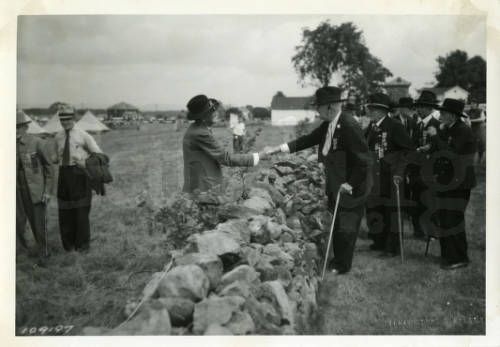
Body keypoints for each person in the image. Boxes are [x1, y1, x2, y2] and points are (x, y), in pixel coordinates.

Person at [266, 86, 373, 275]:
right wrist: (277, 149)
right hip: (337, 182)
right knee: (339, 223)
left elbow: (364, 161)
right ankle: (337, 260)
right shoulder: (329, 124)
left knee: (347, 227)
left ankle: (342, 265)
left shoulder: (349, 125)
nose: (317, 110)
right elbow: (306, 140)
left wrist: (351, 183)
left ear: (330, 107)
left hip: (352, 185)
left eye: (319, 107)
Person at [182, 94, 268, 194]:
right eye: (212, 112)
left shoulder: (198, 129)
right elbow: (226, 158)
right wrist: (258, 156)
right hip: (203, 191)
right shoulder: (200, 133)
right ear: (204, 116)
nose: (216, 114)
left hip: (202, 189)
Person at [427, 98, 476, 269]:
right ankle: (448, 255)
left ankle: (459, 258)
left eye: (443, 113)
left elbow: (451, 154)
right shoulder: (450, 129)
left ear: (453, 116)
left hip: (459, 183)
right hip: (447, 182)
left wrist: (435, 137)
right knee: (445, 218)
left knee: (453, 219)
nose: (440, 116)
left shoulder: (463, 130)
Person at [364, 92, 414, 257]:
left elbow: (408, 150)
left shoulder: (395, 126)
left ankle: (392, 248)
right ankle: (379, 241)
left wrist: (400, 171)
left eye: (371, 108)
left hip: (392, 175)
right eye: (368, 108)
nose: (368, 111)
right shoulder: (371, 127)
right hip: (376, 176)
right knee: (376, 208)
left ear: (381, 110)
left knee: (392, 211)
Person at [53, 106, 103, 252]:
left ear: (73, 119)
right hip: (64, 176)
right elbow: (57, 156)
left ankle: (82, 246)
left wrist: (85, 162)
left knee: (81, 212)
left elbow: (99, 155)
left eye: (68, 119)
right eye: (62, 120)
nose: (65, 122)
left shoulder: (84, 135)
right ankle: (68, 246)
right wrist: (54, 158)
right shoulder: (58, 136)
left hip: (80, 175)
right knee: (65, 212)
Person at [16, 111, 54, 257]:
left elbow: (49, 168)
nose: (15, 130)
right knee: (17, 223)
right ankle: (21, 252)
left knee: (38, 223)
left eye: (18, 127)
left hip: (35, 190)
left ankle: (44, 252)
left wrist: (48, 191)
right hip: (15, 191)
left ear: (26, 127)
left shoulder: (37, 142)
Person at [410, 90, 442, 239]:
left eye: (422, 107)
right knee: (416, 201)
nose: (419, 109)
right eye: (419, 106)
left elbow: (440, 148)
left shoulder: (438, 126)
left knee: (429, 201)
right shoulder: (417, 125)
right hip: (416, 169)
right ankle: (418, 230)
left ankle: (432, 232)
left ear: (430, 109)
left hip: (430, 170)